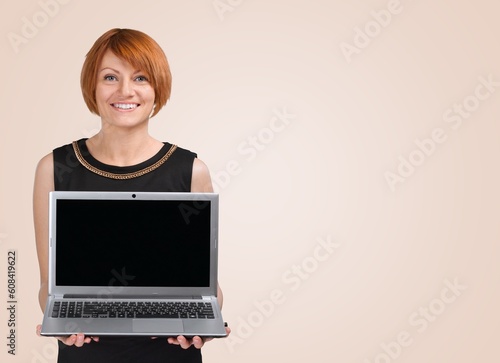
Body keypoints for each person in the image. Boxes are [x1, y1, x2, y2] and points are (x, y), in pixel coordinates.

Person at [33, 28, 230, 362]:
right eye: (110, 77)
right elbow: (48, 287)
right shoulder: (54, 167)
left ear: (157, 88)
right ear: (92, 87)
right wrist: (62, 322)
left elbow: (207, 288)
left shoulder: (191, 170)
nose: (125, 91)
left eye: (140, 78)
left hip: (169, 353)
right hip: (86, 354)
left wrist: (199, 325)